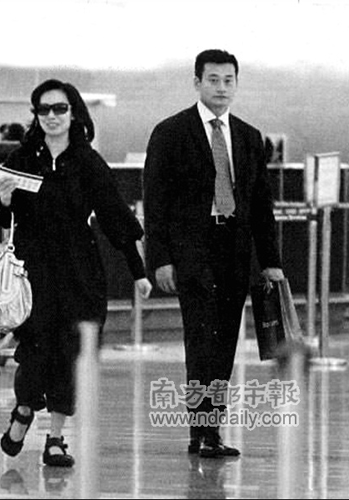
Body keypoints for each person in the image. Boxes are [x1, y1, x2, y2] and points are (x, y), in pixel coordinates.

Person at [0, 79, 152, 467]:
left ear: (73, 113)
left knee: (69, 352)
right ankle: (24, 410)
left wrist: (138, 272)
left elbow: (115, 216)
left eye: (59, 108)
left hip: (79, 271)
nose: (51, 116)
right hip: (31, 271)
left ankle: (56, 437)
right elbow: (1, 218)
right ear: (36, 115)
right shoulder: (21, 159)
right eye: (44, 109)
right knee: (35, 349)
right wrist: (5, 202)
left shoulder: (87, 161)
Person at [143, 49, 284, 458]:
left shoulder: (248, 136)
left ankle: (211, 429)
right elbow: (156, 202)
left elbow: (261, 206)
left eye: (228, 80)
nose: (221, 88)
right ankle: (201, 431)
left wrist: (271, 262)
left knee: (224, 345)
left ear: (236, 84)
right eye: (213, 80)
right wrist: (160, 259)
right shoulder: (171, 132)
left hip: (234, 252)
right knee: (201, 340)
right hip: (192, 253)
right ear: (197, 82)